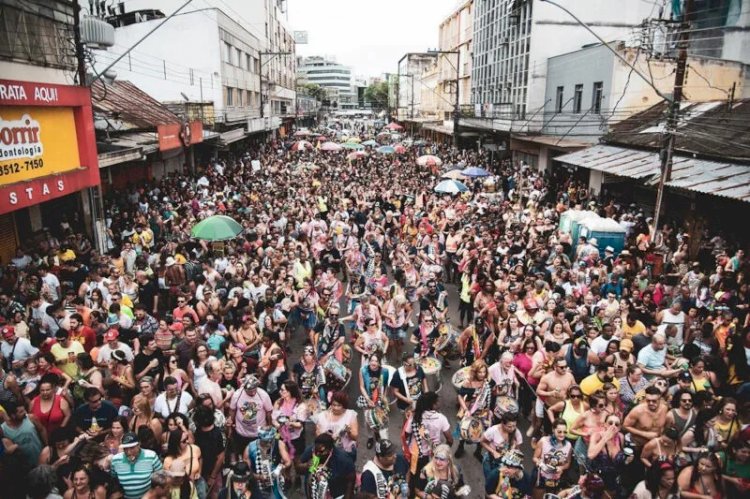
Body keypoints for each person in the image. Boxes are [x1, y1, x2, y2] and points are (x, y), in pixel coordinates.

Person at [228, 375, 273, 461]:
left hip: (258, 434)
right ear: (244, 388)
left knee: (259, 457)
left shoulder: (263, 395)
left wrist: (269, 426)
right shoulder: (237, 395)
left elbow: (268, 412)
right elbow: (232, 410)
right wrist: (230, 426)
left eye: (254, 390)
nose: (252, 393)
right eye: (249, 391)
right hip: (241, 433)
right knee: (242, 456)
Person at [298, 433, 355, 499]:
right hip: (313, 494)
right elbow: (298, 466)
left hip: (335, 494)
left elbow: (351, 479)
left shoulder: (343, 459)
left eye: (321, 451)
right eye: (316, 451)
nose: (318, 454)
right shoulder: (312, 450)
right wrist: (305, 466)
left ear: (330, 449)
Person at [110, 432, 163, 499]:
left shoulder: (151, 456)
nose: (129, 452)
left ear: (139, 445)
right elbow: (114, 480)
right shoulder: (115, 460)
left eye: (132, 448)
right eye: (125, 449)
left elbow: (162, 479)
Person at [244, 426, 291, 499]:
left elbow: (288, 462)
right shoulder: (250, 448)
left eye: (271, 440)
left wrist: (280, 468)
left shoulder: (279, 444)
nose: (269, 443)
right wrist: (258, 477)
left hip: (276, 485)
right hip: (257, 486)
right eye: (266, 441)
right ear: (260, 438)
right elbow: (245, 471)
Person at [532, 419, 572, 498]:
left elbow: (567, 463)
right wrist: (540, 463)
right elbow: (535, 457)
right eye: (559, 432)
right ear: (553, 430)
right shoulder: (544, 441)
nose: (562, 435)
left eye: (564, 432)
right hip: (541, 476)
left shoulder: (568, 445)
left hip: (555, 478)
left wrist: (561, 468)